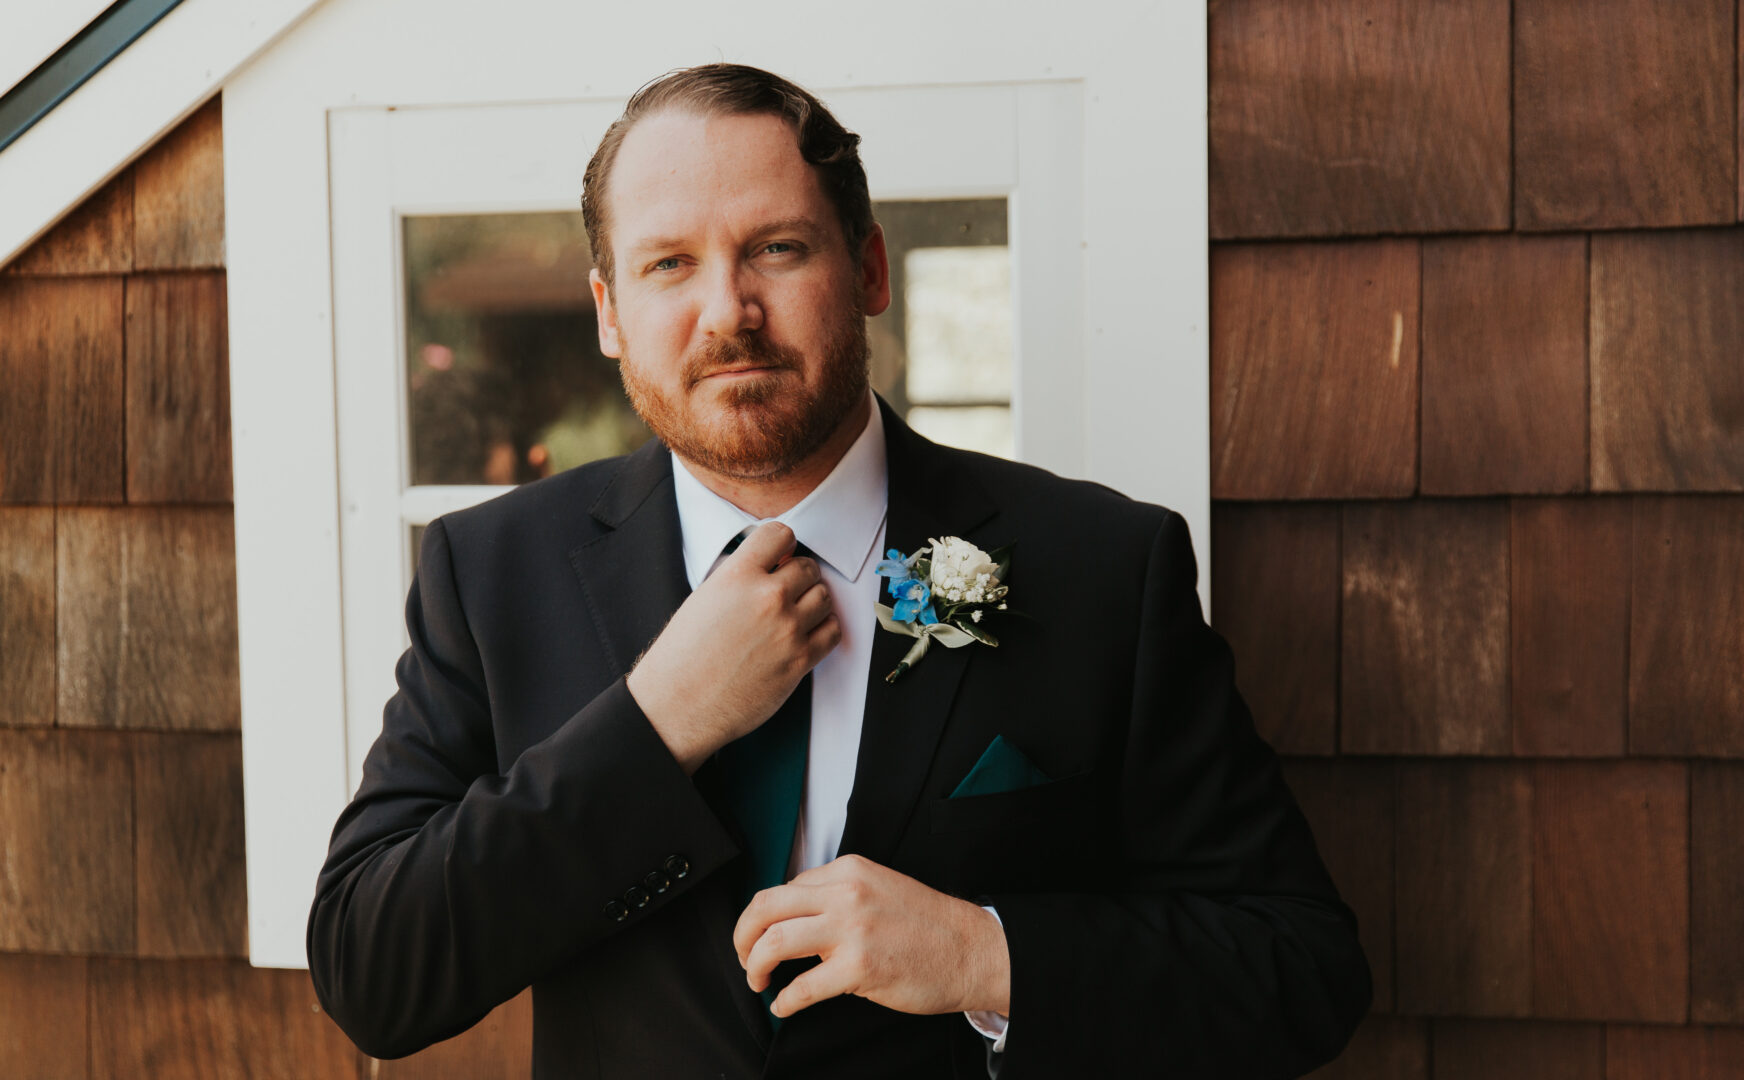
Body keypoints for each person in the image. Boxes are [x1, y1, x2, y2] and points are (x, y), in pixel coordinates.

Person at [307, 63, 1370, 1079]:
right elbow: (374, 971)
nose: (727, 310)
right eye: (669, 263)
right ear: (608, 312)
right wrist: (652, 725)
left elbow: (1300, 968)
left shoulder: (1100, 570)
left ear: (867, 270)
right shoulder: (493, 573)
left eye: (774, 247)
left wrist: (983, 957)